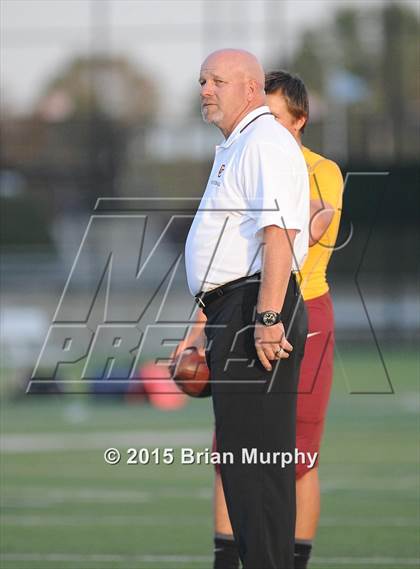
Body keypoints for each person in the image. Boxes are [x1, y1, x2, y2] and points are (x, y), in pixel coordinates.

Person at [183, 50, 309, 569]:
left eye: (217, 80)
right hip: (233, 310)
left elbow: (278, 232)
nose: (205, 89)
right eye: (202, 80)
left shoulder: (263, 140)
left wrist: (267, 318)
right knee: (245, 466)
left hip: (252, 307)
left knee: (254, 468)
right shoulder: (237, 144)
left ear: (251, 88)